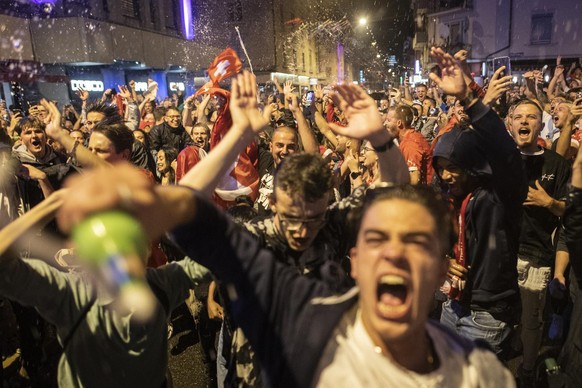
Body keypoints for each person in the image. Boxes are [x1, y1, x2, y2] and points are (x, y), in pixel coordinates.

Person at [56, 71, 515, 388]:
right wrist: (238, 134)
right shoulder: (257, 239)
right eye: (292, 219)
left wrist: (379, 137)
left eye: (312, 218)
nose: (302, 231)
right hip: (252, 363)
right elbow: (182, 207)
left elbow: (394, 185)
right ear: (273, 206)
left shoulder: (332, 226)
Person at [429, 47, 528, 356]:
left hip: (487, 316)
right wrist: (442, 260)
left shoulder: (500, 194)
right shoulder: (447, 197)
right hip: (453, 305)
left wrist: (471, 99)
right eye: (440, 168)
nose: (446, 176)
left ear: (472, 166)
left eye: (453, 168)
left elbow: (503, 150)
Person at [509, 99, 571, 383]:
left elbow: (570, 212)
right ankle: (516, 345)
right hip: (504, 252)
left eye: (531, 117)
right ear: (510, 124)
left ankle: (528, 368)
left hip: (536, 254)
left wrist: (549, 203)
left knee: (532, 318)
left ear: (540, 123)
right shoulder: (502, 159)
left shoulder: (556, 164)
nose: (524, 121)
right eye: (518, 117)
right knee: (509, 311)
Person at [384, 104, 434, 185]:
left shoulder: (410, 144)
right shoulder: (410, 137)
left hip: (423, 195)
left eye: (388, 120)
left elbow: (414, 179)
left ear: (399, 123)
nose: (385, 124)